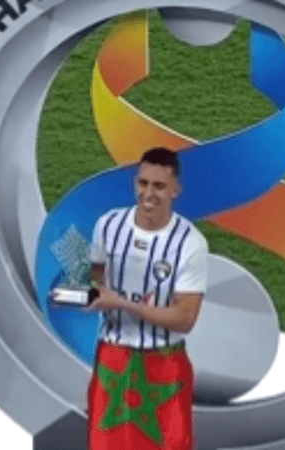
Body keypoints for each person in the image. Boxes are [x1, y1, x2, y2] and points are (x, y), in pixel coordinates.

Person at [86, 147, 208, 450]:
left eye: (159, 186)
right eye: (143, 183)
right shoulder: (108, 226)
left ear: (176, 189)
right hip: (113, 359)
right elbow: (97, 275)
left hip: (164, 363)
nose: (149, 194)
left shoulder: (190, 243)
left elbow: (185, 318)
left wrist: (122, 303)